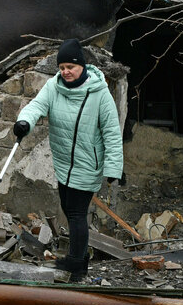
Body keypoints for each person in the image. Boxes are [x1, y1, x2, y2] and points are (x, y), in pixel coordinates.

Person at [13, 38, 123, 282]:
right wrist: (24, 122)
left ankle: (75, 265)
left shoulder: (99, 92)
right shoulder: (54, 86)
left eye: (70, 67)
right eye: (62, 67)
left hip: (87, 163)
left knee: (76, 213)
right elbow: (36, 106)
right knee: (69, 208)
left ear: (81, 66)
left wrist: (113, 168)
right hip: (63, 162)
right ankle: (80, 260)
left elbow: (112, 131)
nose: (65, 72)